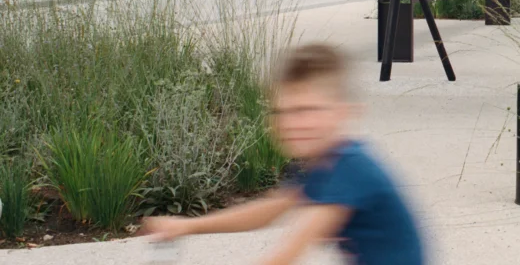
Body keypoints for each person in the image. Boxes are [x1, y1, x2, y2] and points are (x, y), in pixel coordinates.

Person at [144, 43, 424, 264]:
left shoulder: (351, 170)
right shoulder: (321, 163)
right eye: (281, 112)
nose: (291, 123)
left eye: (306, 110)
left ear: (344, 112)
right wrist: (187, 226)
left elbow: (287, 253)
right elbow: (266, 211)